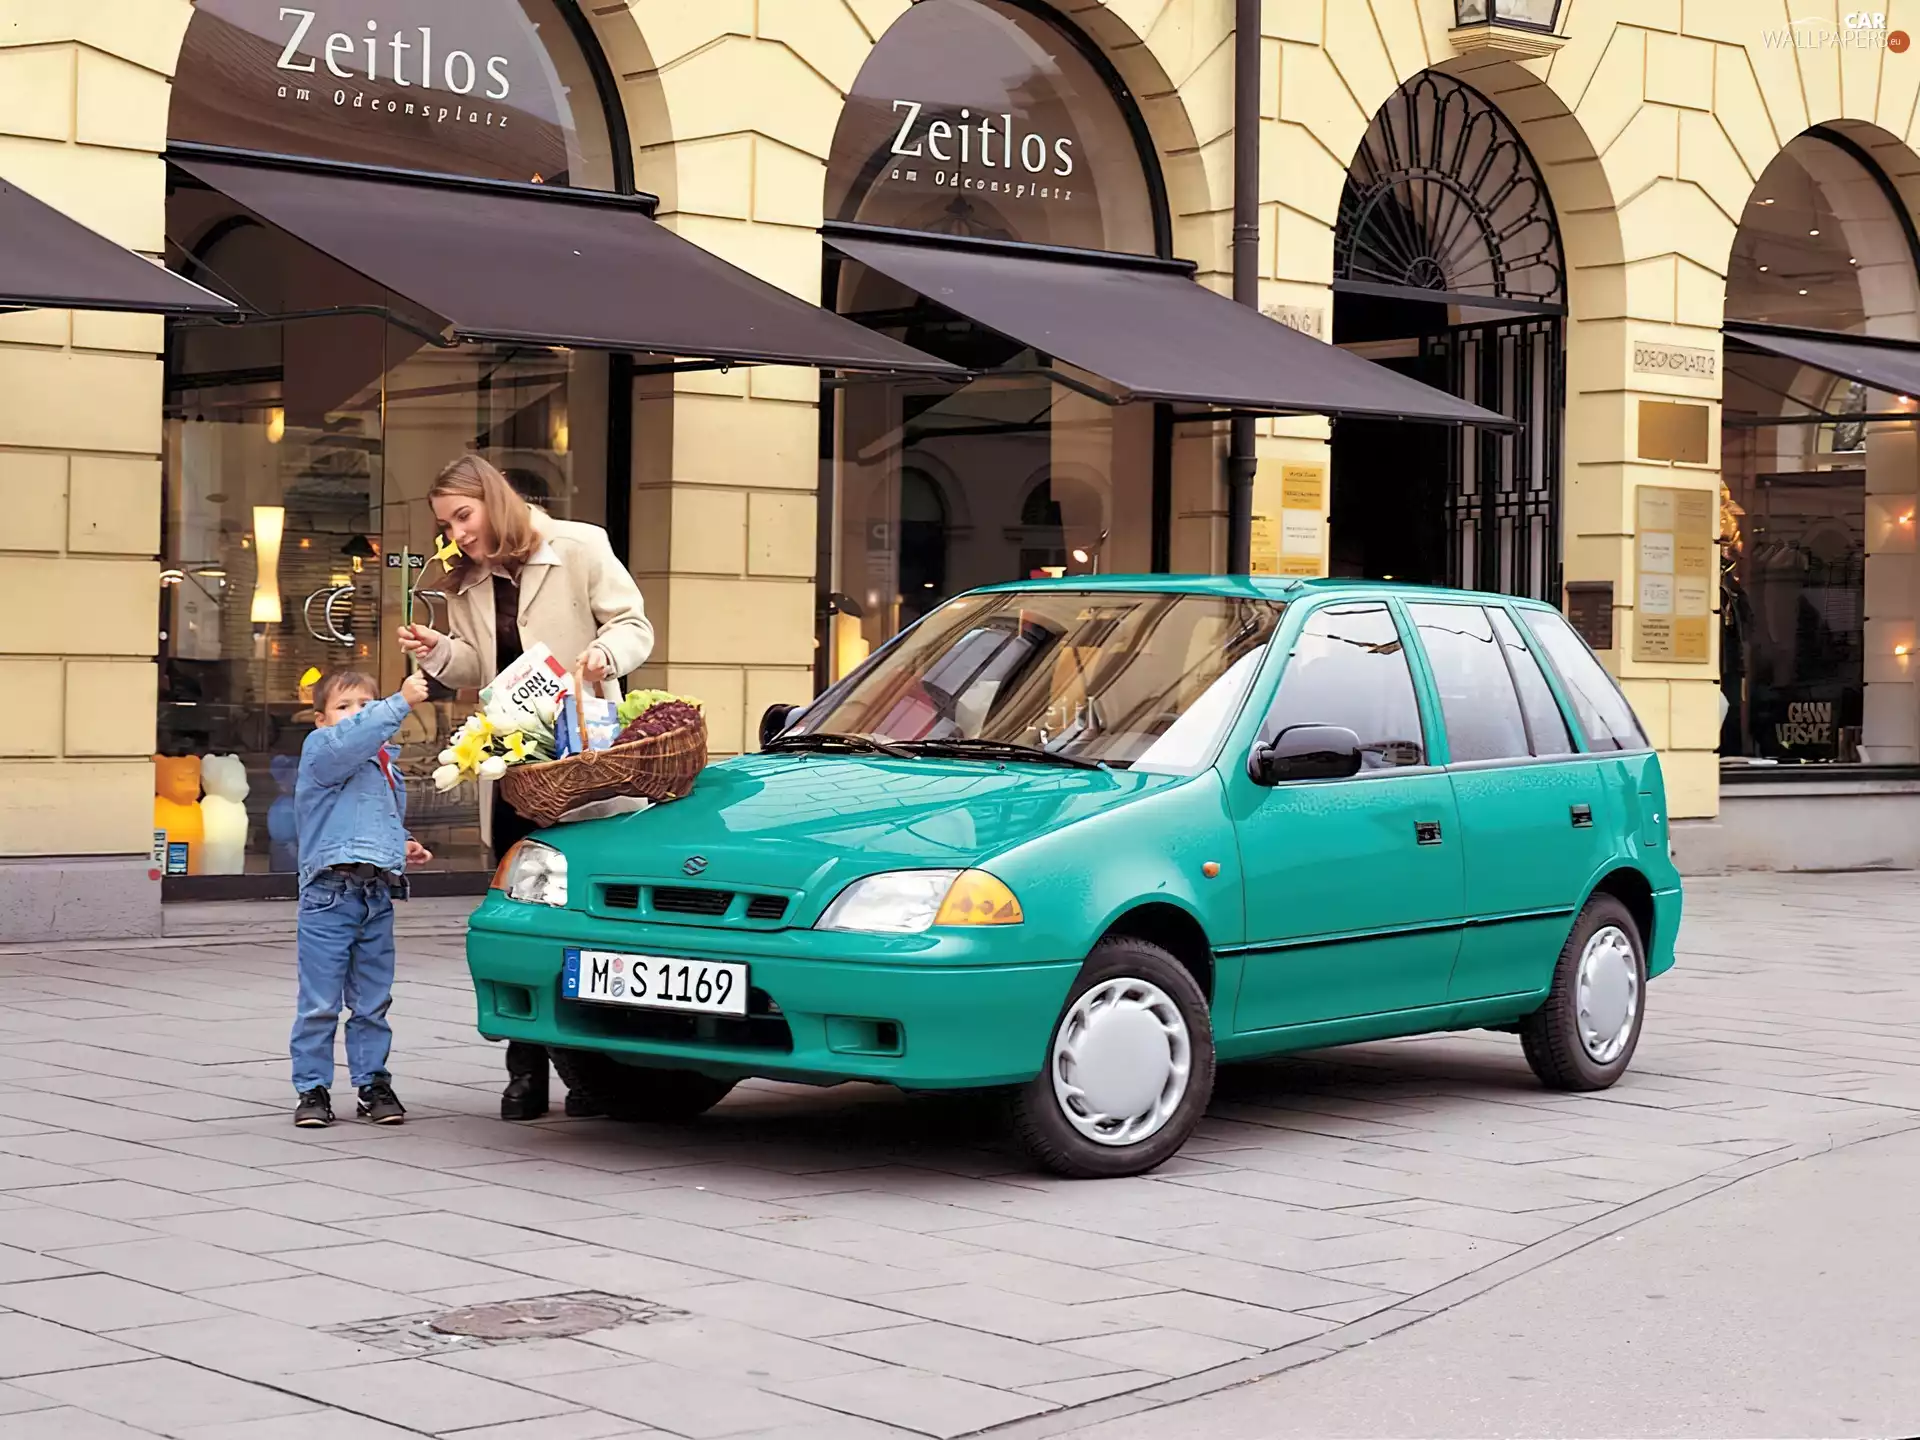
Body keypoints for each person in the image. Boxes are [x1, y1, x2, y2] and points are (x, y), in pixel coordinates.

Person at [396, 453, 654, 1120]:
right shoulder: (467, 577)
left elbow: (632, 626)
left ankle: (596, 1073)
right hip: (512, 769)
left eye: (462, 516)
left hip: (583, 767)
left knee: (592, 923)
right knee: (523, 920)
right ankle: (525, 1073)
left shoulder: (580, 545)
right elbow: (478, 666)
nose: (455, 533)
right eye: (445, 524)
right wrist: (437, 651)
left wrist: (606, 654)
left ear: (492, 499)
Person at [292, 669, 434, 1129]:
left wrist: (403, 843)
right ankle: (312, 1088)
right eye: (344, 707)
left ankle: (372, 1083)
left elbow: (380, 818)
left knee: (373, 1001)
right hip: (328, 897)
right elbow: (349, 743)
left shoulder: (385, 765)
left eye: (364, 706)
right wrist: (396, 703)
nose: (356, 715)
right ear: (320, 720)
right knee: (320, 1003)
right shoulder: (321, 751)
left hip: (375, 894)